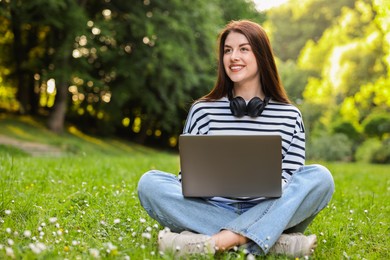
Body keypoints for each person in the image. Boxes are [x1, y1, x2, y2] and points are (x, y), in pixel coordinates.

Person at [137, 19, 334, 258]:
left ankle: (216, 242)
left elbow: (292, 180)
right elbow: (186, 179)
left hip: (268, 207)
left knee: (320, 178)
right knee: (150, 183)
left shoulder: (290, 115)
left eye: (243, 49)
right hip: (212, 206)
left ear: (261, 56)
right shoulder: (203, 111)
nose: (233, 57)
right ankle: (273, 241)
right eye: (227, 50)